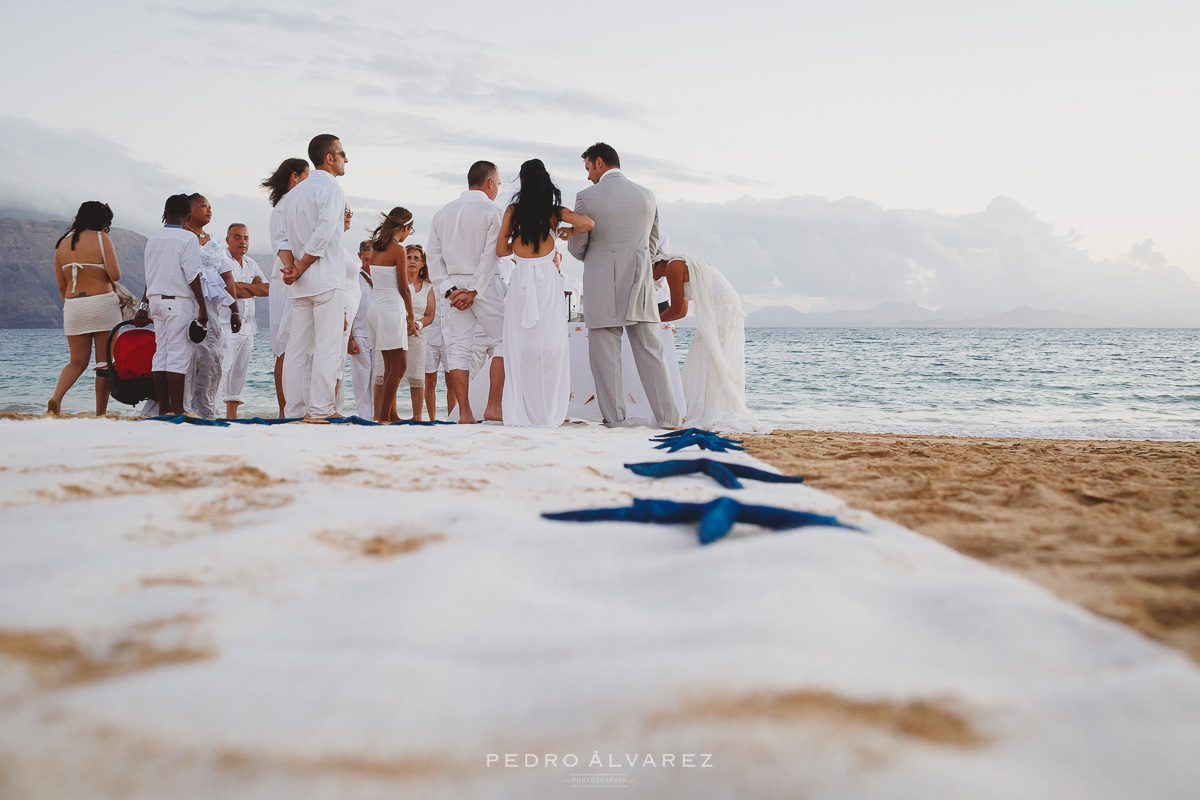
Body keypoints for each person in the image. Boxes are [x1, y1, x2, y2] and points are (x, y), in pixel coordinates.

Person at [566, 143, 680, 428]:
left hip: (601, 281)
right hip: (639, 280)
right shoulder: (647, 195)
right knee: (652, 353)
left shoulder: (586, 197)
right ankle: (669, 418)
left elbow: (578, 248)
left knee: (606, 357)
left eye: (589, 168)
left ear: (600, 162)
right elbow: (653, 246)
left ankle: (615, 420)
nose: (588, 176)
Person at [496, 159, 593, 427]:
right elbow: (588, 222)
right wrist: (568, 231)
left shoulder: (513, 211)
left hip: (521, 282)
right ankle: (548, 408)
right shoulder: (554, 212)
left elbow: (500, 251)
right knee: (551, 345)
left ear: (523, 182)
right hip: (548, 284)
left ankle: (522, 409)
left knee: (519, 345)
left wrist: (517, 241)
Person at [653, 253, 769, 433]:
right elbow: (681, 312)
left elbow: (676, 309)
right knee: (705, 355)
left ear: (653, 264)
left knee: (709, 354)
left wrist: (649, 324)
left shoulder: (673, 267)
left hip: (722, 309)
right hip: (724, 308)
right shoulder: (677, 265)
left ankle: (708, 410)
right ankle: (702, 406)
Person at [426, 160, 504, 424]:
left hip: (453, 288)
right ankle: (494, 406)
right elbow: (491, 254)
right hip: (484, 285)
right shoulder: (493, 210)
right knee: (504, 341)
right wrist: (474, 290)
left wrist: (449, 291)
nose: (498, 190)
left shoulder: (442, 213)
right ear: (490, 182)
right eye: (498, 185)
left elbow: (433, 258)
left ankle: (465, 413)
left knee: (458, 347)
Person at [277, 134, 348, 419]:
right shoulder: (331, 188)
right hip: (325, 278)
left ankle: (294, 411)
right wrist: (301, 266)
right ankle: (319, 409)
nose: (346, 159)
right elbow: (324, 232)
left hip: (300, 282)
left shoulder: (294, 193)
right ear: (329, 158)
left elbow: (280, 237)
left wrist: (291, 267)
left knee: (296, 350)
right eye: (342, 153)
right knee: (327, 347)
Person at [48, 202, 125, 416]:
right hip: (102, 303)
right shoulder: (102, 238)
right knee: (104, 364)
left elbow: (62, 286)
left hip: (74, 306)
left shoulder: (62, 243)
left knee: (76, 361)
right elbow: (116, 274)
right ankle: (100, 413)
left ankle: (56, 398)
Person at [136, 194, 206, 415]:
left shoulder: (153, 238)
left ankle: (163, 409)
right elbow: (192, 275)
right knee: (177, 356)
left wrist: (143, 306)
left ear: (164, 214)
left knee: (161, 354)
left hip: (155, 302)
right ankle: (177, 411)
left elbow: (151, 276)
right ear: (187, 217)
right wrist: (202, 307)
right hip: (178, 303)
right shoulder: (188, 239)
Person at [260, 156, 309, 417]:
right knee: (286, 347)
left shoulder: (288, 204)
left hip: (291, 274)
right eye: (307, 176)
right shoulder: (284, 206)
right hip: (285, 277)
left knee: (295, 345)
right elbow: (281, 243)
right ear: (295, 176)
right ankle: (284, 409)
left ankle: (292, 406)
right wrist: (294, 268)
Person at [185, 194, 240, 418]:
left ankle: (206, 409)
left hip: (213, 310)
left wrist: (235, 310)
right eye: (203, 206)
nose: (209, 209)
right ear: (189, 210)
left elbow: (227, 277)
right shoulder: (181, 237)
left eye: (210, 206)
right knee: (187, 356)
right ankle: (184, 407)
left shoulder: (215, 241)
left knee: (212, 358)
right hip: (186, 302)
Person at [366, 208, 417, 422]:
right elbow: (404, 288)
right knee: (400, 366)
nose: (408, 235)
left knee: (389, 365)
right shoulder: (398, 250)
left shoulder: (376, 248)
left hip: (376, 307)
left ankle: (391, 414)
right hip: (390, 309)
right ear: (404, 228)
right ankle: (384, 416)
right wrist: (411, 317)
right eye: (410, 231)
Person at [219, 224, 265, 419]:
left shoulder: (251, 263)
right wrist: (250, 288)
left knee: (239, 375)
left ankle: (232, 416)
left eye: (246, 238)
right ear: (228, 239)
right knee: (220, 371)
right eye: (237, 237)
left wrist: (239, 288)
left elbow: (266, 289)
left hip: (249, 326)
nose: (242, 242)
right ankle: (209, 411)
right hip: (226, 324)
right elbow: (225, 288)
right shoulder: (221, 260)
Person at [404, 244, 436, 420]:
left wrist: (417, 324)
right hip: (395, 330)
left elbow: (430, 315)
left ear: (423, 263)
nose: (412, 261)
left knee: (417, 377)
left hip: (417, 333)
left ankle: (417, 417)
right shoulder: (396, 282)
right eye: (409, 257)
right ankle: (387, 415)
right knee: (388, 375)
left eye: (416, 258)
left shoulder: (428, 287)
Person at [348, 240, 374, 419]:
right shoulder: (354, 278)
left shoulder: (383, 278)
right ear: (359, 256)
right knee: (362, 381)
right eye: (366, 259)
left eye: (372, 259)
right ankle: (365, 417)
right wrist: (350, 338)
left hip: (380, 336)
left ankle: (378, 416)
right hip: (359, 334)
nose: (369, 263)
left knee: (377, 380)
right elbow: (348, 309)